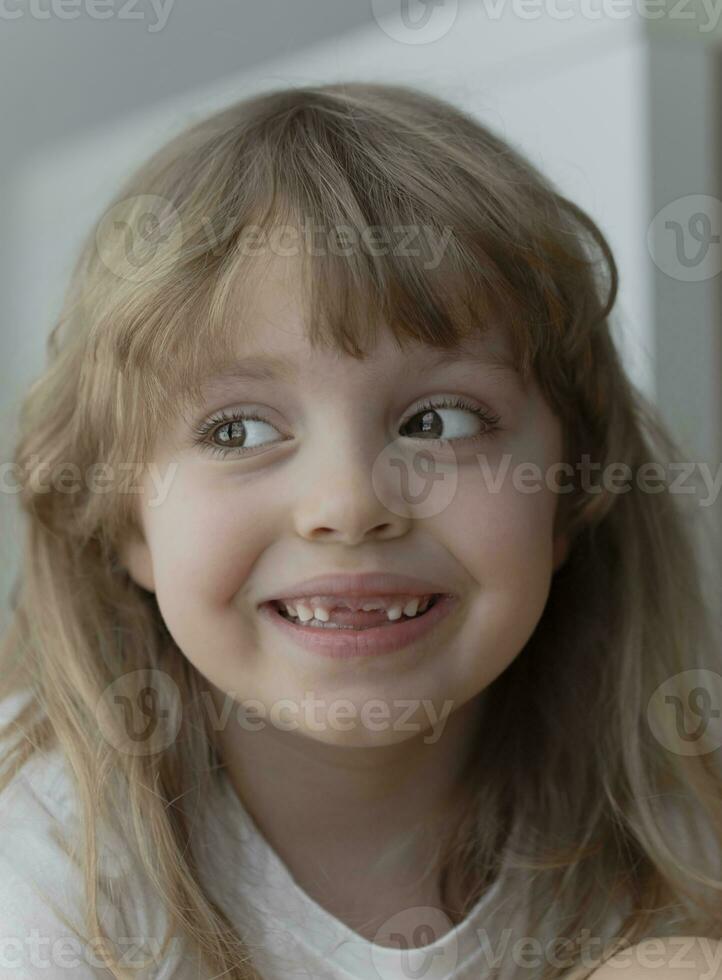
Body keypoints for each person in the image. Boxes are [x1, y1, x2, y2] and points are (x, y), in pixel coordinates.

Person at [0, 81, 720, 980]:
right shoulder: (44, 853)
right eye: (238, 431)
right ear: (125, 522)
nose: (346, 503)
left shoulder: (676, 839)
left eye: (441, 420)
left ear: (571, 493)